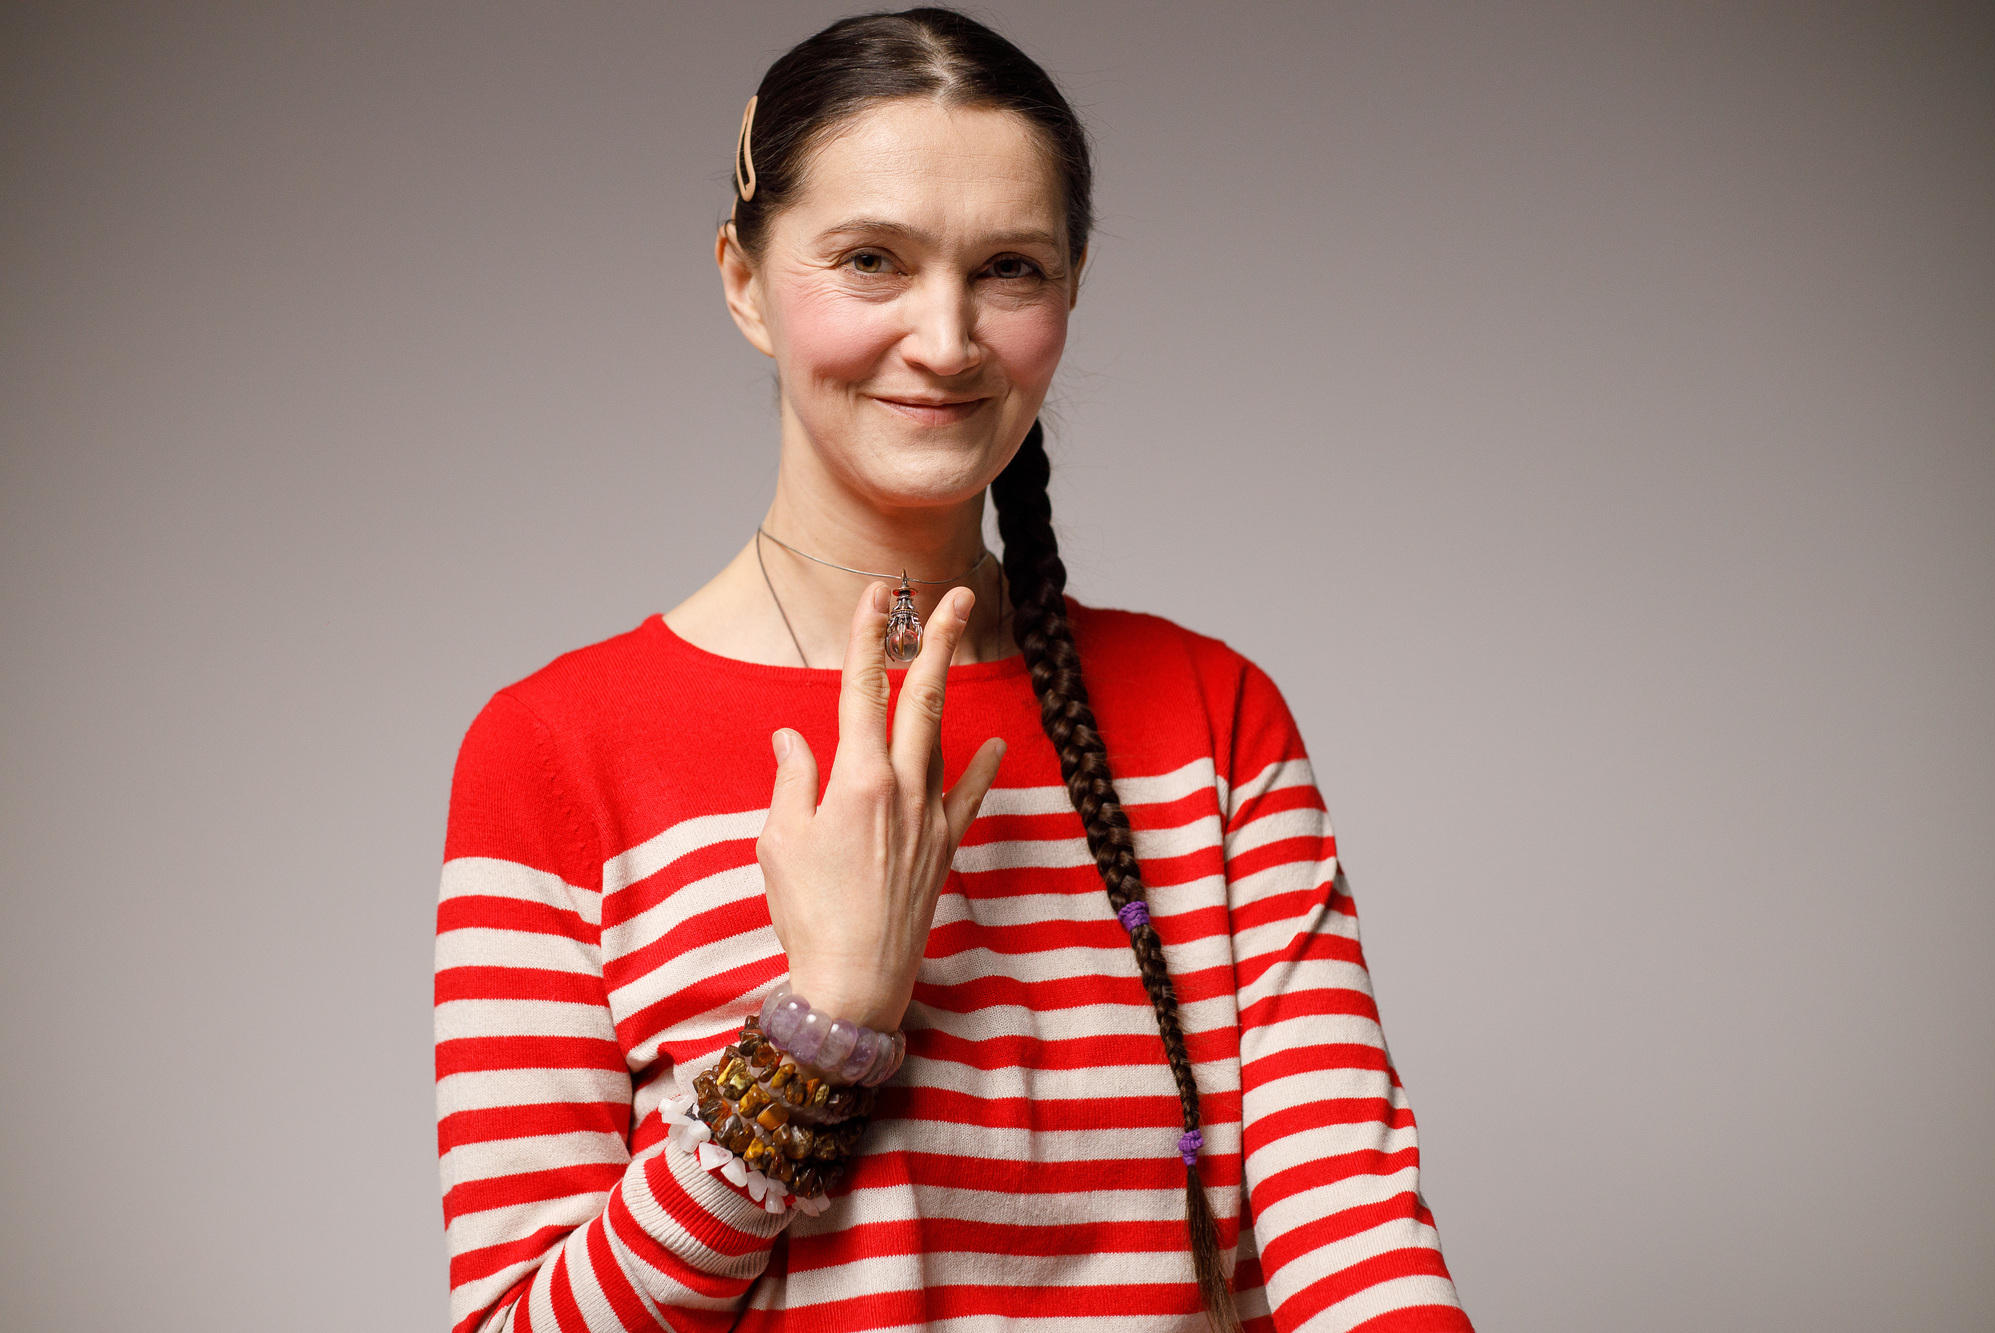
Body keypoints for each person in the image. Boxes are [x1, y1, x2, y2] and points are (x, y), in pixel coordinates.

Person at [433, 9, 1471, 1331]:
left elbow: (1359, 1244)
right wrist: (819, 1027)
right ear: (744, 281)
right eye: (872, 259)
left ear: (1072, 289)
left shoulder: (1211, 721)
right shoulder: (559, 749)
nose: (946, 338)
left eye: (1009, 268)